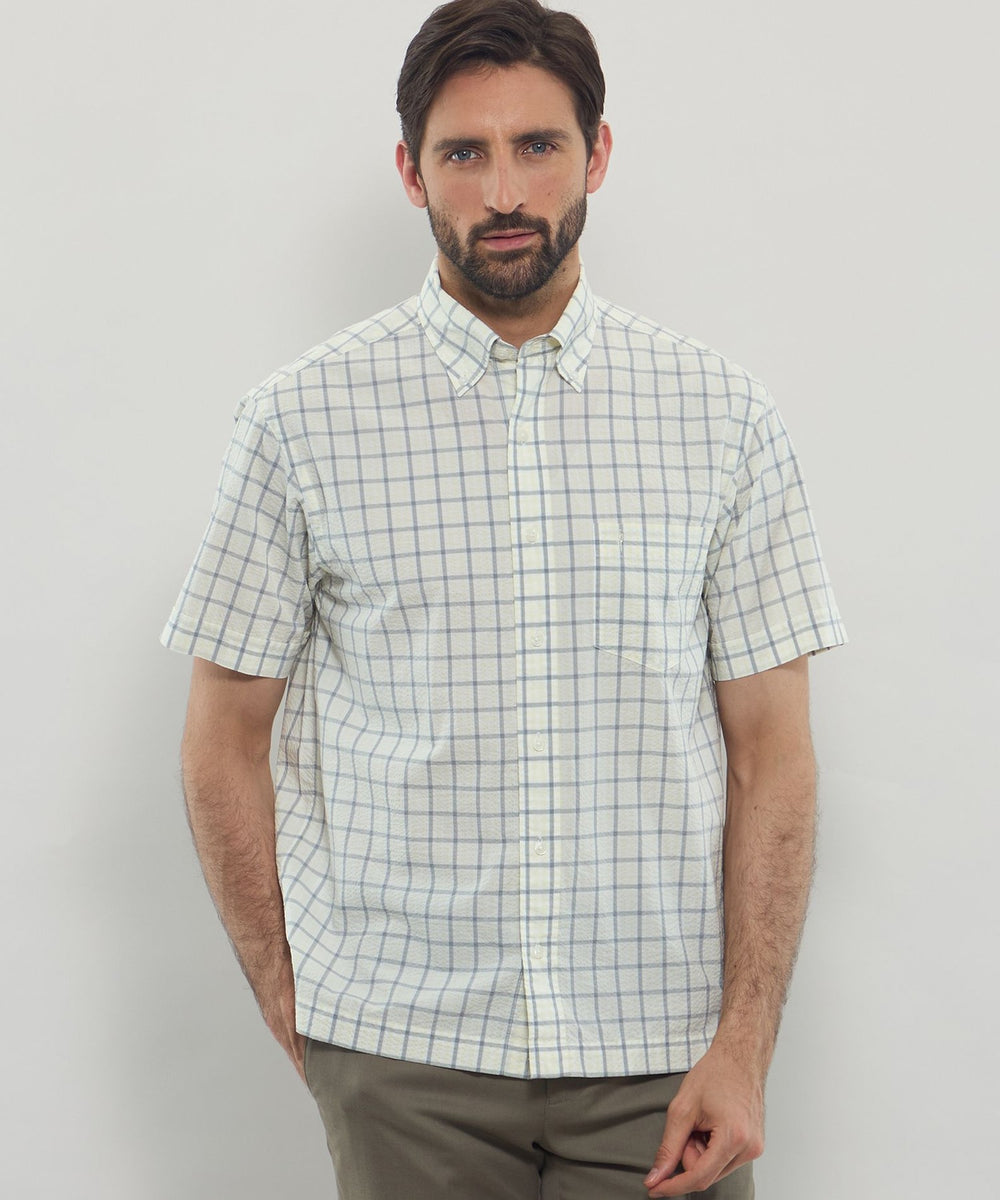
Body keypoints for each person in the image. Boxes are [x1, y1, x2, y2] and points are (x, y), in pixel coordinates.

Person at [162, 1, 846, 1195]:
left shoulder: (721, 417)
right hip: (401, 1059)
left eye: (538, 145)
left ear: (597, 152)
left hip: (662, 1059)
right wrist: (295, 1001)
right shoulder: (298, 421)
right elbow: (222, 735)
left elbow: (772, 756)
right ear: (410, 172)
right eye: (463, 153)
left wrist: (743, 1045)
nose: (504, 192)